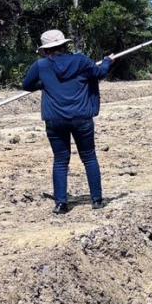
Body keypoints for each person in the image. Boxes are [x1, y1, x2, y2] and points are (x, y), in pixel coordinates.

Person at [22, 30, 113, 214]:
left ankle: (61, 204)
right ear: (64, 45)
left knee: (60, 160)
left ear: (45, 50)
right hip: (81, 118)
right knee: (89, 157)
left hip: (55, 120)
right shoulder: (81, 60)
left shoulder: (41, 66)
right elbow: (100, 73)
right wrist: (107, 61)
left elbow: (27, 85)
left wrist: (44, 83)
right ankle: (96, 200)